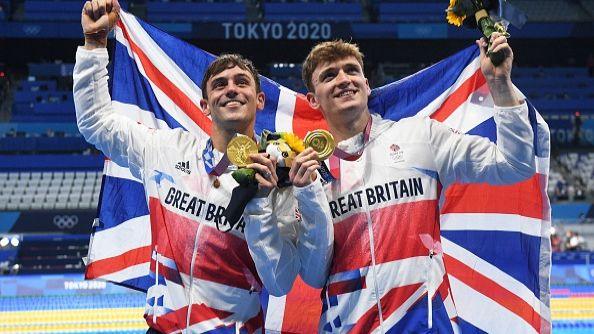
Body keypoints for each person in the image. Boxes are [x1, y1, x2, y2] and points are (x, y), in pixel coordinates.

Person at [73, 0, 333, 332]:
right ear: (205, 106)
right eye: (220, 84)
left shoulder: (277, 179)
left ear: (260, 100)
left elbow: (280, 282)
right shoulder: (165, 149)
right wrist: (95, 44)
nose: (231, 89)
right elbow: (96, 123)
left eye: (241, 82)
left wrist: (257, 208)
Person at [301, 38, 536, 332]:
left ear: (366, 84)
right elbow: (312, 274)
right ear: (313, 99)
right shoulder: (307, 175)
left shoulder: (420, 136)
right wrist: (304, 194)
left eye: (351, 70)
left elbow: (515, 165)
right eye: (329, 75)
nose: (343, 79)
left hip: (425, 323)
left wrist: (499, 84)